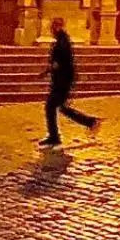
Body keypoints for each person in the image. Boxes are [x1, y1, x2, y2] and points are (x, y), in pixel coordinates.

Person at [40, 17, 100, 148]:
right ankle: (56, 135)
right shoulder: (63, 40)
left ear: (57, 27)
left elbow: (59, 63)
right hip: (63, 80)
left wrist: (48, 71)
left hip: (62, 81)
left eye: (53, 26)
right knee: (59, 107)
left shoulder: (61, 43)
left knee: (52, 107)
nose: (52, 29)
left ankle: (89, 122)